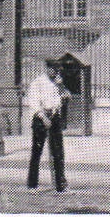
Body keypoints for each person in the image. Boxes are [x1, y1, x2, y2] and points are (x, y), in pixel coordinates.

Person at [25, 59, 68, 192]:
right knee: (37, 151)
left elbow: (65, 98)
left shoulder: (57, 83)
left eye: (56, 70)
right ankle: (32, 184)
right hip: (40, 118)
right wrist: (44, 118)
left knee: (58, 151)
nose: (54, 72)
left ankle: (60, 185)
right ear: (47, 69)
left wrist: (61, 87)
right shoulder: (38, 82)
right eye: (53, 69)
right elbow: (33, 103)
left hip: (54, 116)